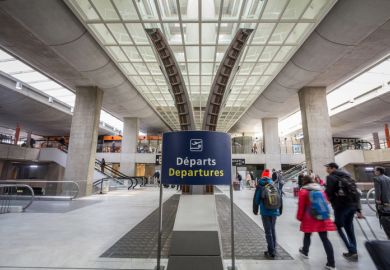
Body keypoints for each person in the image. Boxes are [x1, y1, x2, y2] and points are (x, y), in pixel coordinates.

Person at [325, 162, 363, 261]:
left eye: (328, 168)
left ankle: (351, 249)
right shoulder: (348, 176)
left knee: (338, 226)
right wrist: (358, 209)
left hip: (341, 206)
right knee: (349, 227)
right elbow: (357, 193)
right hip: (353, 206)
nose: (327, 170)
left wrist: (330, 200)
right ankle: (353, 251)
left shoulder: (331, 177)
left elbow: (328, 192)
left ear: (333, 168)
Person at [297, 175, 336, 270]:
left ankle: (305, 251)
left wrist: (299, 217)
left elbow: (301, 206)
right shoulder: (320, 190)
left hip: (309, 217)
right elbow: (326, 203)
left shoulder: (303, 191)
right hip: (321, 217)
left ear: (304, 182)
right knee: (325, 239)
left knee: (307, 235)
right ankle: (331, 263)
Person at [253, 169, 281, 259]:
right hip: (274, 211)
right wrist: (280, 210)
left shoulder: (260, 185)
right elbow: (280, 198)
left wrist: (255, 210)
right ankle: (272, 249)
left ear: (262, 176)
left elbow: (256, 200)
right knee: (272, 230)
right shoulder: (274, 184)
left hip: (265, 211)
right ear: (269, 176)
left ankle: (271, 251)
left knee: (268, 231)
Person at [374, 166, 390, 239]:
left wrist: (378, 200)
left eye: (375, 170)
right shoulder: (388, 178)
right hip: (389, 202)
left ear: (378, 171)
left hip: (382, 203)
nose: (374, 172)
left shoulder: (377, 179)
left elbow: (378, 191)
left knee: (384, 220)